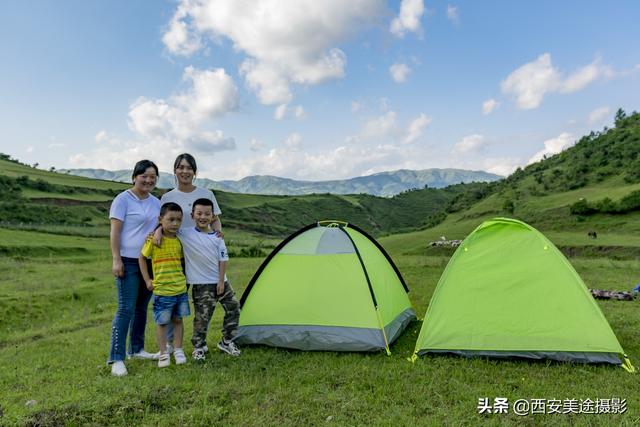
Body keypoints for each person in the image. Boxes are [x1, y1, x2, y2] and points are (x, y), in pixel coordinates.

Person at [158, 153, 223, 352]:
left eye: (189, 168)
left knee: (203, 303)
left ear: (195, 172)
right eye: (181, 167)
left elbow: (215, 220)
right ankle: (170, 345)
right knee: (173, 300)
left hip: (201, 260)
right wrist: (158, 232)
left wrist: (218, 237)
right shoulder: (168, 197)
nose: (185, 171)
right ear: (175, 171)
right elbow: (162, 221)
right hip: (176, 258)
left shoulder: (206, 193)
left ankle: (199, 343)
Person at [108, 160, 161, 377]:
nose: (148, 180)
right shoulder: (122, 200)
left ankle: (137, 349)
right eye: (144, 176)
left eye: (153, 177)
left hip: (149, 262)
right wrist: (116, 259)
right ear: (134, 177)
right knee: (125, 309)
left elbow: (160, 224)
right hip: (128, 261)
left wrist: (158, 231)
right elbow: (115, 232)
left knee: (141, 309)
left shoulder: (156, 202)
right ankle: (116, 358)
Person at [179, 198, 240, 360]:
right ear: (192, 215)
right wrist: (156, 232)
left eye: (207, 214)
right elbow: (166, 229)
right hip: (201, 284)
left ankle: (227, 341)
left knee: (234, 307)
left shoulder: (217, 237)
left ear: (213, 217)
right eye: (199, 213)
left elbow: (223, 260)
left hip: (221, 282)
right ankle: (198, 347)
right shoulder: (185, 233)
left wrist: (221, 281)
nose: (203, 217)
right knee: (202, 317)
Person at [139, 202, 190, 367]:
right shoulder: (153, 241)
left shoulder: (180, 241)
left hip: (180, 289)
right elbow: (142, 258)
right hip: (162, 290)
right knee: (162, 323)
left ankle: (178, 350)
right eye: (171, 219)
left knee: (178, 319)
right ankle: (163, 354)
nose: (175, 224)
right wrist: (147, 280)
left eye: (178, 220)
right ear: (160, 219)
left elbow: (183, 262)